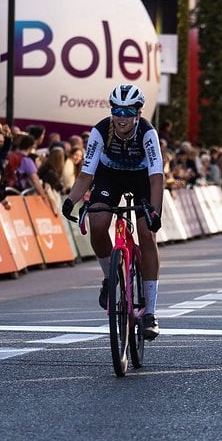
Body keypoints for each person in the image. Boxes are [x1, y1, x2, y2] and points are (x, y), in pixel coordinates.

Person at [60, 83, 164, 340]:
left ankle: (149, 311)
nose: (121, 117)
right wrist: (71, 200)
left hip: (141, 178)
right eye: (117, 110)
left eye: (128, 112)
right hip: (110, 177)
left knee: (146, 234)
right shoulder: (100, 130)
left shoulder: (148, 133)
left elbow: (156, 178)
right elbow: (86, 174)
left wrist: (155, 213)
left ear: (138, 114)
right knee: (97, 223)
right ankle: (110, 278)